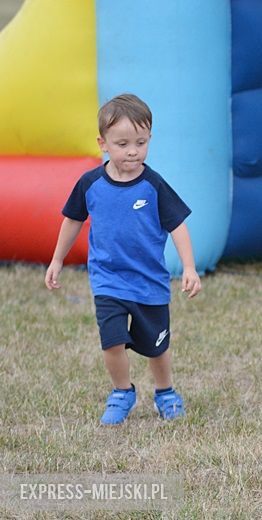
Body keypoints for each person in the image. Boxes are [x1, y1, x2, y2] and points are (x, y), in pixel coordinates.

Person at [45, 93, 201, 425]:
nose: (132, 150)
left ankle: (165, 392)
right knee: (112, 342)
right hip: (108, 281)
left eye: (141, 142)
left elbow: (178, 225)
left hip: (149, 284)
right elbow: (72, 219)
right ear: (103, 143)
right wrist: (57, 259)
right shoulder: (89, 184)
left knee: (156, 348)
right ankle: (122, 391)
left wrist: (189, 267)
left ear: (149, 140)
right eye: (123, 143)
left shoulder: (154, 185)